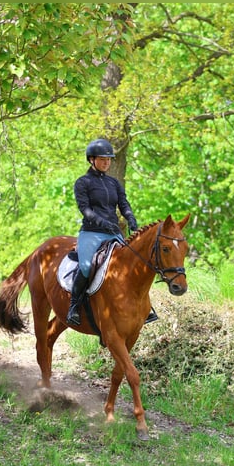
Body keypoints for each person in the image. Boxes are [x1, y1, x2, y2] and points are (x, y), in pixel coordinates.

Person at [66, 138, 139, 326]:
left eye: (109, 159)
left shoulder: (114, 183)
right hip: (91, 232)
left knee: (133, 263)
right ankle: (74, 306)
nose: (107, 162)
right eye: (102, 159)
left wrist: (130, 217)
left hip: (113, 233)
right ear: (92, 160)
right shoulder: (83, 182)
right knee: (86, 266)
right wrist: (102, 222)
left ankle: (142, 308)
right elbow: (85, 209)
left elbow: (123, 204)